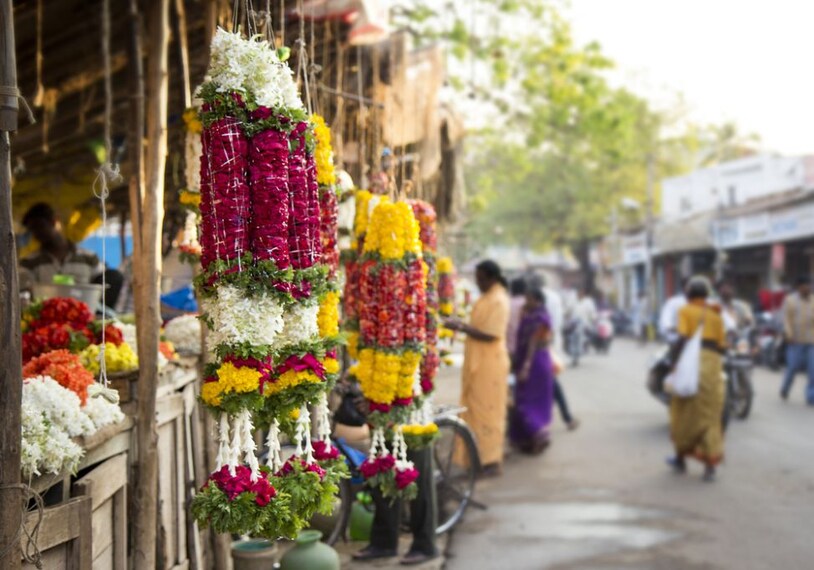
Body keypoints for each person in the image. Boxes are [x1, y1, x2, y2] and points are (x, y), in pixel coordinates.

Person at [444, 260, 511, 477]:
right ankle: (477, 459)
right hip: (480, 363)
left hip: (490, 364)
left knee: (488, 412)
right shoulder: (487, 297)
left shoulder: (499, 299)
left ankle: (490, 460)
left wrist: (460, 326)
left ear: (491, 277)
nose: (478, 282)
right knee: (474, 410)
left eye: (481, 278)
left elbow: (492, 333)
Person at [666, 276, 727, 482]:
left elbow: (683, 337)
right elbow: (721, 346)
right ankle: (710, 466)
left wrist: (674, 362)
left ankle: (680, 458)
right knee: (710, 415)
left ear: (688, 295)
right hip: (712, 366)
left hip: (690, 364)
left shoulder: (685, 311)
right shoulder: (716, 315)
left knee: (683, 411)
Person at [352, 444, 437, 565]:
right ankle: (384, 542)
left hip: (414, 426)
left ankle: (425, 545)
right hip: (387, 428)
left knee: (417, 476)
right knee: (383, 467)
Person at [526, 273, 579, 431]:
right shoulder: (554, 297)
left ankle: (564, 417)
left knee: (550, 382)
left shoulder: (532, 300)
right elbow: (558, 322)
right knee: (549, 382)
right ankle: (563, 417)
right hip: (551, 342)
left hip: (540, 345)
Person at [510, 286, 555, 454]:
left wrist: (526, 366)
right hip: (535, 362)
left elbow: (533, 343)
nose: (526, 302)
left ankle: (539, 435)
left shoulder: (540, 319)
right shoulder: (534, 315)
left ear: (537, 300)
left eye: (529, 299)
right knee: (526, 400)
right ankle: (529, 440)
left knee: (526, 402)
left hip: (535, 364)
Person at [779, 277, 814, 404]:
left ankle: (811, 397)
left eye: (809, 285)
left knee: (813, 370)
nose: (807, 288)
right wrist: (788, 334)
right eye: (805, 286)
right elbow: (786, 319)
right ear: (799, 287)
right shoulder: (790, 300)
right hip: (795, 341)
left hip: (811, 342)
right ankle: (785, 388)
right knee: (792, 367)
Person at [659, 278, 689, 343]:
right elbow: (666, 323)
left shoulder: (704, 304)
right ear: (684, 288)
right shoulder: (673, 303)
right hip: (676, 341)